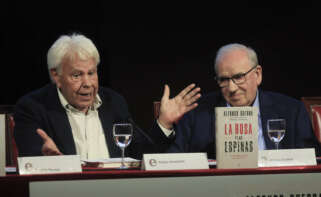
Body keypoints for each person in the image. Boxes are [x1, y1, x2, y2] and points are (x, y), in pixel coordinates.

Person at [13, 33, 201, 160]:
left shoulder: (114, 103)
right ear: (56, 75)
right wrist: (51, 164)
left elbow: (141, 156)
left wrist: (164, 123)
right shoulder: (33, 108)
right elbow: (31, 163)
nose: (88, 83)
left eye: (92, 73)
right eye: (77, 75)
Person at [153, 43, 321, 159]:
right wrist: (165, 124)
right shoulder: (197, 113)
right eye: (224, 80)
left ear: (258, 74)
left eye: (239, 77)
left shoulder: (291, 111)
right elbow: (168, 165)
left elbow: (311, 162)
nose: (232, 88)